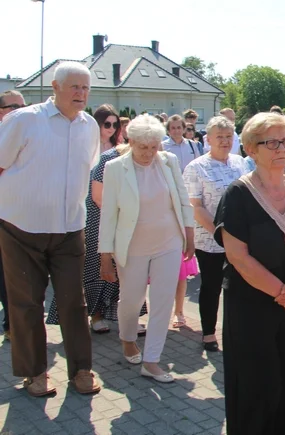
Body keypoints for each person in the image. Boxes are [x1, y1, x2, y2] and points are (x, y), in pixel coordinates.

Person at [213, 112, 285, 434]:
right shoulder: (237, 194)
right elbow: (239, 257)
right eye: (271, 142)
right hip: (251, 307)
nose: (282, 148)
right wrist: (282, 292)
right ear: (250, 148)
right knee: (256, 389)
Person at [0, 63, 101, 396]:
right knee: (27, 304)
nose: (81, 94)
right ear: (55, 86)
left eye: (85, 88)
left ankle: (82, 370)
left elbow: (86, 169)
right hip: (21, 228)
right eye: (74, 87)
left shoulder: (89, 126)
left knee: (75, 302)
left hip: (70, 228)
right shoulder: (24, 120)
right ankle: (35, 373)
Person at [98, 114, 195, 383]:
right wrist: (105, 256)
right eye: (143, 147)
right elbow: (108, 214)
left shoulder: (169, 161)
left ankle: (152, 360)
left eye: (154, 147)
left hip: (169, 242)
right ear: (131, 142)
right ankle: (128, 338)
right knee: (132, 299)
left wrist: (189, 233)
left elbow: (182, 198)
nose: (149, 153)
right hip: (132, 246)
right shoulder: (116, 168)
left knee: (163, 300)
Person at [45, 104, 127, 333]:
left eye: (115, 124)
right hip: (91, 211)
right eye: (106, 123)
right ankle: (94, 315)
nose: (110, 128)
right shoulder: (85, 146)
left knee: (118, 265)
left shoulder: (120, 149)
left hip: (117, 213)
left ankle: (114, 312)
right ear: (97, 124)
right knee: (92, 264)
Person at [183, 116, 248, 352]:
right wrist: (221, 234)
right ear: (208, 139)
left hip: (240, 240)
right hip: (210, 240)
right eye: (219, 137)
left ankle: (236, 330)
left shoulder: (241, 163)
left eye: (229, 136)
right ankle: (208, 332)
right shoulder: (196, 167)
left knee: (239, 287)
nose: (225, 141)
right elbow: (196, 207)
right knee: (212, 287)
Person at [163, 115, 201, 328]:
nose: (177, 130)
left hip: (188, 201)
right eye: (174, 127)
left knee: (181, 265)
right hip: (168, 204)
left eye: (180, 127)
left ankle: (179, 311)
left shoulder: (193, 146)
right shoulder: (161, 147)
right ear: (168, 130)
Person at [0, 90, 25, 342]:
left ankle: (13, 324)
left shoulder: (28, 135)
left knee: (13, 273)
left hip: (17, 216)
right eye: (12, 106)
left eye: (22, 105)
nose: (18, 109)